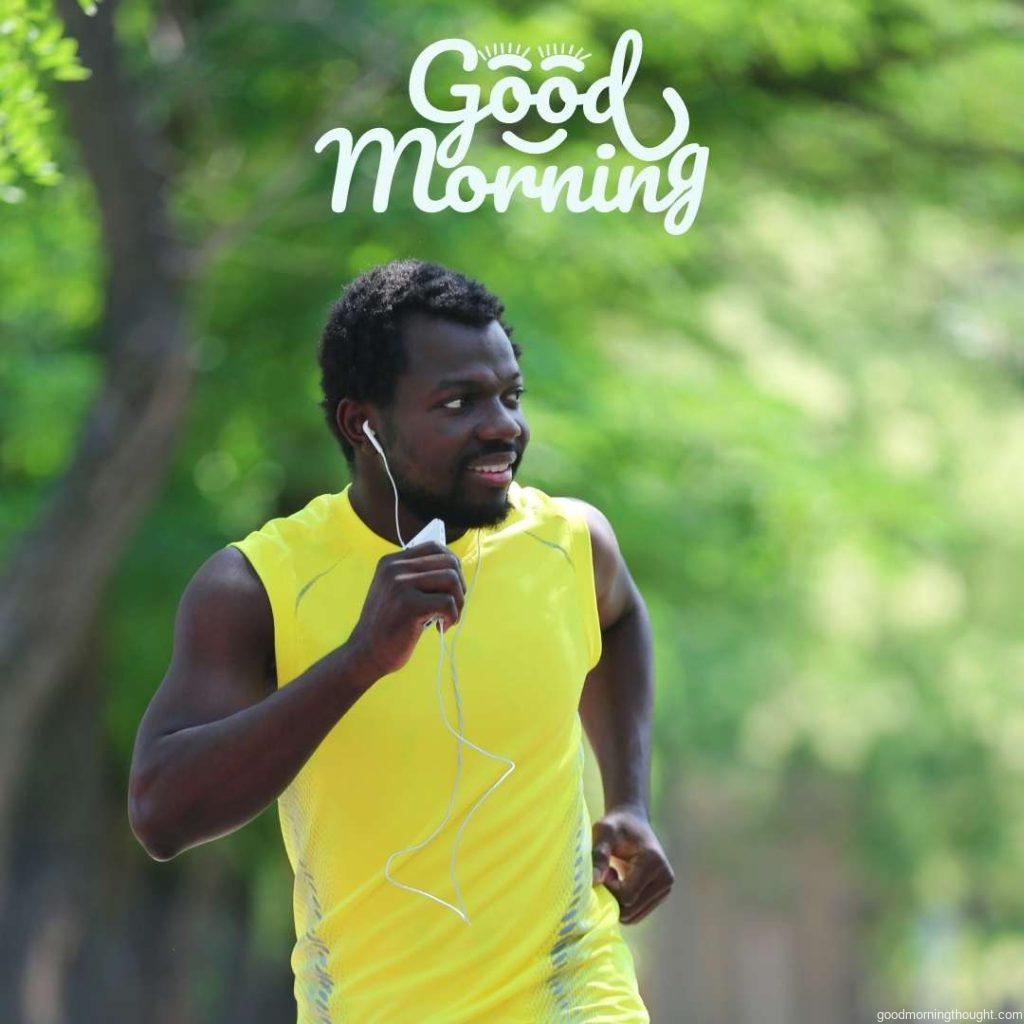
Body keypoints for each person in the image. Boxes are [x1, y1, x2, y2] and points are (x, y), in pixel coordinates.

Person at [127, 258, 674, 1022]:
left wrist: (631, 800)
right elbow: (160, 812)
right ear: (364, 424)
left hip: (574, 998)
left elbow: (619, 620)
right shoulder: (257, 586)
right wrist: (358, 662)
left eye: (510, 396)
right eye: (459, 402)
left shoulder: (570, 544)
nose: (504, 427)